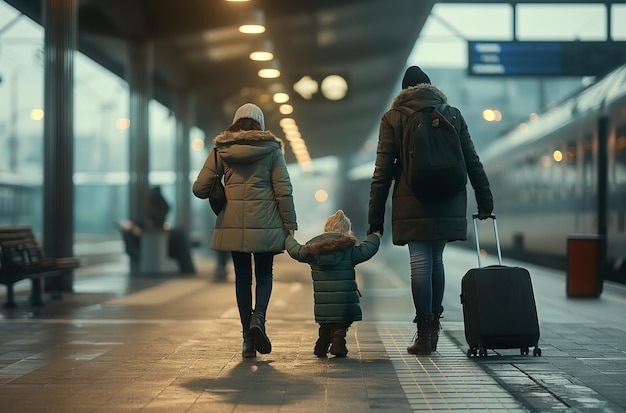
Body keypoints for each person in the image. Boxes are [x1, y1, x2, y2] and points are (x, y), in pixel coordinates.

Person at [367, 66, 493, 356]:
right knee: (437, 259)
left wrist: (375, 217)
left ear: (403, 91)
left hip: (412, 199)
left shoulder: (393, 118)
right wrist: (485, 200)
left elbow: (382, 171)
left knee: (420, 263)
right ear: (430, 88)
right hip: (449, 198)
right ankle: (435, 326)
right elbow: (472, 160)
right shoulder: (452, 114)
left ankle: (424, 332)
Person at [192, 103, 297, 358]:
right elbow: (283, 189)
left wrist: (222, 182)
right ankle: (258, 320)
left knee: (242, 278)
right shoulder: (272, 149)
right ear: (260, 124)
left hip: (232, 223)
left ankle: (246, 339)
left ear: (235, 122)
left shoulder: (221, 149)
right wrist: (290, 224)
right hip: (267, 224)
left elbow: (199, 189)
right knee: (264, 274)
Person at [285, 210, 381, 357]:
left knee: (326, 323)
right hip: (345, 302)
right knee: (341, 325)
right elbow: (366, 250)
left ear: (326, 229)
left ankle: (322, 343)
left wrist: (289, 238)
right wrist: (374, 236)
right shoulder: (349, 250)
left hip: (323, 302)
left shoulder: (313, 249)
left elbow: (296, 251)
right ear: (346, 231)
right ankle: (338, 342)